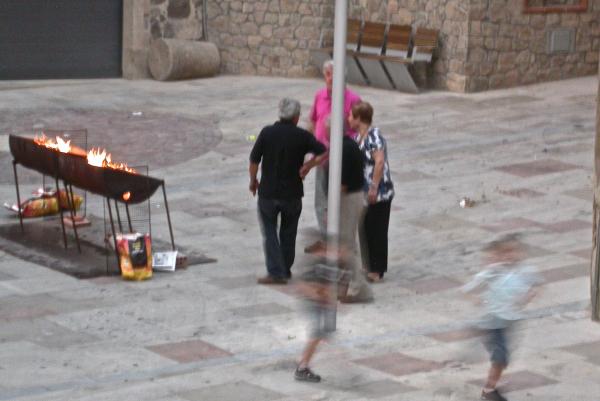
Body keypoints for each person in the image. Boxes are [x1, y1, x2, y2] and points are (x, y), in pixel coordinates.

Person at [249, 98, 326, 284]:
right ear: (296, 118)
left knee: (269, 232)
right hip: (292, 194)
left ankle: (276, 272)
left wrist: (253, 181)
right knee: (288, 232)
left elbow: (254, 161)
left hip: (268, 192)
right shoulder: (302, 136)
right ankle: (285, 269)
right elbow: (323, 151)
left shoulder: (267, 133)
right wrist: (309, 165)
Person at [462, 233, 541, 401]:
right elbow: (468, 288)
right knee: (500, 358)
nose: (510, 255)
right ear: (498, 255)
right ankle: (488, 391)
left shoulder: (525, 271)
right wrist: (476, 299)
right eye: (505, 252)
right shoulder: (493, 272)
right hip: (493, 323)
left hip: (510, 322)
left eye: (513, 251)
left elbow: (536, 283)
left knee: (503, 359)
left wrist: (528, 296)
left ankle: (490, 386)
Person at [304, 59, 361, 254]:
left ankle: (343, 244)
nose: (329, 79)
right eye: (327, 75)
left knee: (340, 201)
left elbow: (357, 129)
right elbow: (312, 122)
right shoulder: (319, 96)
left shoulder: (352, 99)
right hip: (321, 158)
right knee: (321, 200)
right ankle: (326, 239)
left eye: (333, 75)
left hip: (341, 160)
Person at [349, 101, 394, 282]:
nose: (348, 119)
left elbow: (379, 161)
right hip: (363, 192)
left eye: (351, 116)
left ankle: (377, 269)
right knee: (365, 228)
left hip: (379, 192)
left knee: (377, 229)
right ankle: (368, 265)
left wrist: (374, 187)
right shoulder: (357, 138)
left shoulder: (374, 136)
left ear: (359, 118)